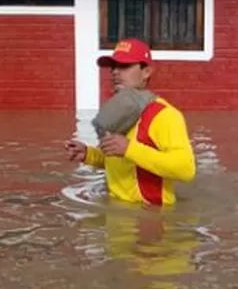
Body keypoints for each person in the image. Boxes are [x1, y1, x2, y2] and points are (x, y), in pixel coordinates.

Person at [64, 38, 196, 206]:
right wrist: (89, 155)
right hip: (116, 215)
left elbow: (185, 169)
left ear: (146, 71)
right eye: (113, 66)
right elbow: (120, 162)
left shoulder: (165, 115)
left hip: (150, 221)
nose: (115, 72)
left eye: (124, 66)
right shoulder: (117, 112)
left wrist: (129, 148)